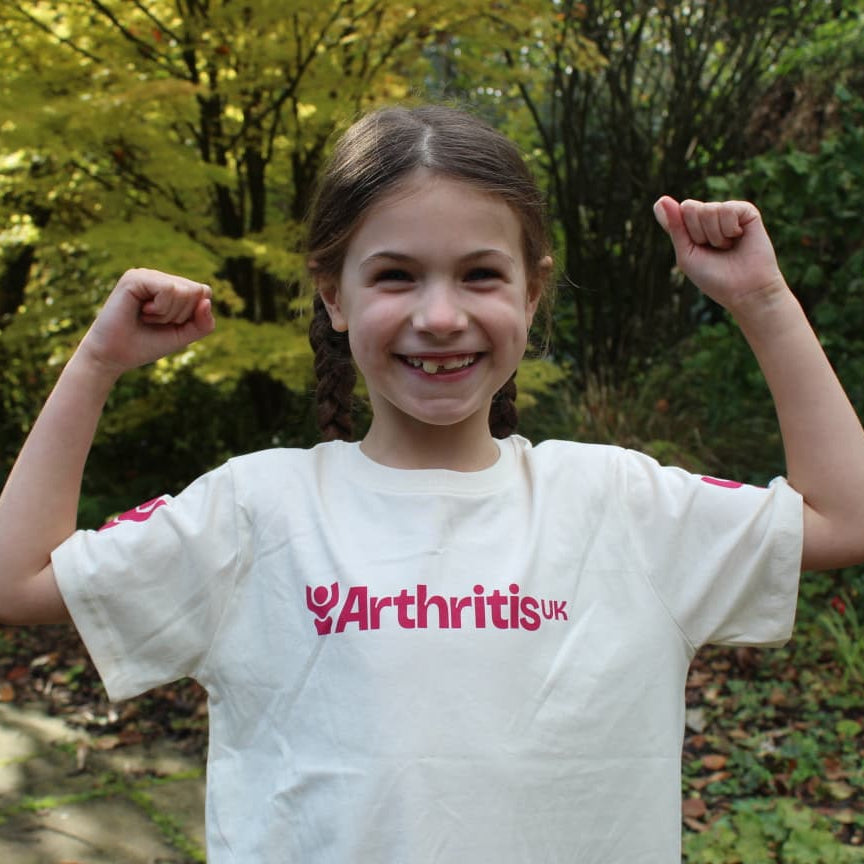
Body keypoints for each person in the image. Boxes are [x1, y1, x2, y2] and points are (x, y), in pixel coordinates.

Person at [1, 105, 863, 863]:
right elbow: (16, 580)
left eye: (481, 274)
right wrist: (99, 361)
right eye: (396, 275)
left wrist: (764, 300)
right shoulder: (255, 512)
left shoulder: (620, 504)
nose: (441, 315)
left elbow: (845, 517)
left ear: (533, 293)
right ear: (332, 294)